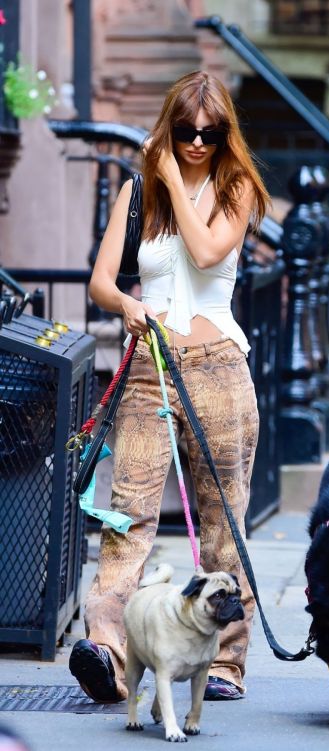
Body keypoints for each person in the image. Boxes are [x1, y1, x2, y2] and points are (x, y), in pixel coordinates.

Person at [69, 70, 270, 703]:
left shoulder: (236, 189)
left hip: (217, 368)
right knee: (127, 515)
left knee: (222, 522)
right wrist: (127, 304)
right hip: (150, 370)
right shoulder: (137, 195)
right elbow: (100, 281)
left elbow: (207, 252)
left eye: (211, 134)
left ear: (225, 135)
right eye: (185, 132)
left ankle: (226, 663)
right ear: (169, 126)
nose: (197, 144)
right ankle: (109, 647)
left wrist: (174, 182)